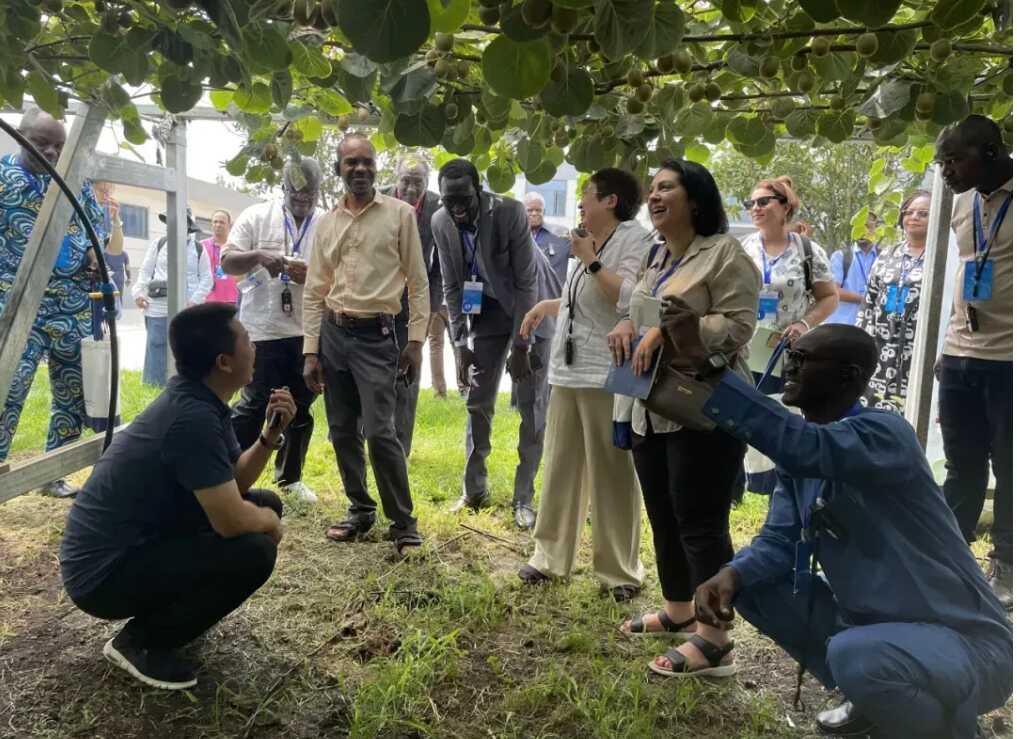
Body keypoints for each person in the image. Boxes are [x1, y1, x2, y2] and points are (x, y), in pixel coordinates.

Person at [680, 320, 1012, 739]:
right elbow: (779, 541)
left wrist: (709, 368)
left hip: (969, 644)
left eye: (803, 359)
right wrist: (731, 573)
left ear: (848, 376)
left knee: (855, 655)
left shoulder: (886, 434)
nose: (790, 367)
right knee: (751, 584)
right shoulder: (803, 456)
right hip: (878, 629)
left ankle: (947, 729)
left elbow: (804, 446)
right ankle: (874, 695)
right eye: (790, 357)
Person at [59, 303, 292, 690]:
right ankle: (141, 642)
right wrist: (268, 523)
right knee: (255, 550)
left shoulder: (202, 401)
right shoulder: (192, 418)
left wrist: (269, 436)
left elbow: (234, 482)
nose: (255, 348)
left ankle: (171, 620)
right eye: (248, 340)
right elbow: (230, 520)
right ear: (223, 362)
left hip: (136, 544)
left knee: (266, 503)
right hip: (102, 574)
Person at [611, 160, 760, 679]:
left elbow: (739, 326)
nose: (654, 196)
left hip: (703, 407)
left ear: (695, 199)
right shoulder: (657, 254)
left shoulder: (725, 254)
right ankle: (678, 609)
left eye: (666, 188)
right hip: (650, 404)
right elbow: (637, 307)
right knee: (664, 511)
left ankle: (715, 641)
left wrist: (672, 330)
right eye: (652, 189)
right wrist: (627, 324)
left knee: (699, 521)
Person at [516, 168, 652, 596]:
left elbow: (628, 299)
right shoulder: (584, 240)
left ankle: (619, 572)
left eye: (587, 194)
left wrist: (591, 260)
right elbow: (584, 300)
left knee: (611, 472)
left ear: (610, 200)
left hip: (606, 371)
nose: (579, 202)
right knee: (560, 465)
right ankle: (550, 557)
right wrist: (548, 305)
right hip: (568, 370)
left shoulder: (635, 239)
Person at [303, 133, 428, 555]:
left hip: (378, 337)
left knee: (379, 432)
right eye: (350, 162)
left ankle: (403, 522)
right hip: (334, 335)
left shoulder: (400, 215)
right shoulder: (327, 223)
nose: (359, 169)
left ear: (376, 167)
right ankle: (360, 509)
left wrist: (415, 342)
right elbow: (314, 289)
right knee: (341, 430)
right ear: (339, 169)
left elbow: (418, 282)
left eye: (367, 162)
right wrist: (310, 350)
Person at [432, 159, 557, 530]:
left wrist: (522, 346)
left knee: (532, 405)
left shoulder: (510, 212)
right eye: (449, 199)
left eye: (464, 198)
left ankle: (524, 497)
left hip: (532, 308)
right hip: (486, 311)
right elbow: (452, 286)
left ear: (479, 191)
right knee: (477, 399)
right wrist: (459, 344)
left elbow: (526, 282)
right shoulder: (441, 222)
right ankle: (474, 491)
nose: (457, 207)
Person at [0, 108, 109, 497]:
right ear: (20, 135)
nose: (51, 152)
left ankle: (54, 474)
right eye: (41, 143)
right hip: (19, 306)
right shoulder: (2, 177)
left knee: (74, 392)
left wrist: (95, 253)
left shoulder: (74, 179)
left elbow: (96, 226)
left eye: (59, 146)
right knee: (8, 389)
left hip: (72, 305)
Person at [935, 114, 1013, 608]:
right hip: (961, 353)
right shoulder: (963, 202)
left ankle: (1006, 563)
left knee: (1010, 466)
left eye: (954, 160)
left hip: (1009, 359)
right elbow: (966, 272)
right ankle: (949, 561)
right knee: (961, 465)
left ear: (990, 151)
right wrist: (945, 350)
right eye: (942, 163)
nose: (946, 172)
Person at [221, 159, 324, 504]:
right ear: (282, 188)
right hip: (261, 331)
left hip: (308, 330)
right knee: (254, 404)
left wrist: (311, 276)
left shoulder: (326, 223)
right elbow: (227, 262)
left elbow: (340, 275)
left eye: (310, 193)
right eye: (296, 192)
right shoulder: (256, 215)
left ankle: (290, 477)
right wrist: (258, 256)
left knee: (301, 407)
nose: (302, 199)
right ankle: (229, 470)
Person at [739, 176, 838, 497]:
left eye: (763, 201)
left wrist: (804, 324)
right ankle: (751, 481)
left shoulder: (808, 250)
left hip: (789, 351)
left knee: (785, 418)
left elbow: (829, 298)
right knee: (745, 414)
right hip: (746, 349)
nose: (755, 208)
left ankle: (787, 483)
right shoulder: (743, 249)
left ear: (785, 207)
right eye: (751, 203)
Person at [382, 156, 443, 453]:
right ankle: (368, 436)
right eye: (405, 180)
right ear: (396, 178)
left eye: (418, 182)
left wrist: (430, 310)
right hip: (375, 298)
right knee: (372, 369)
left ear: (427, 183)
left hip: (413, 302)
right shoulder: (376, 199)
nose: (410, 188)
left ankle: (400, 447)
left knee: (408, 372)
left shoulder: (437, 209)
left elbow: (440, 266)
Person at [856, 191, 931, 414]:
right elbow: (869, 302)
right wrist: (860, 343)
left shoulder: (942, 256)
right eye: (909, 212)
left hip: (919, 351)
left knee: (913, 411)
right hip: (880, 348)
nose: (914, 217)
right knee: (873, 411)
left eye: (923, 213)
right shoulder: (887, 254)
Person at [132, 207, 213, 387]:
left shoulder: (198, 248)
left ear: (187, 225)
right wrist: (138, 293)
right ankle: (154, 386)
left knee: (185, 348)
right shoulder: (159, 244)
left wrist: (194, 301)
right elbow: (145, 271)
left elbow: (207, 279)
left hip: (187, 307)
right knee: (156, 344)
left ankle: (185, 387)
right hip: (158, 306)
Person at [827, 213, 880, 326]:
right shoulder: (841, 256)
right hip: (841, 326)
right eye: (858, 226)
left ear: (876, 228)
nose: (862, 230)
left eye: (867, 226)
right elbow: (833, 290)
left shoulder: (884, 258)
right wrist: (866, 299)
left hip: (871, 327)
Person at [525, 191, 570, 285]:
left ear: (544, 211)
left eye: (538, 210)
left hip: (554, 292)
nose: (534, 213)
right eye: (529, 210)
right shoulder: (514, 236)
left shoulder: (561, 233)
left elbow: (583, 253)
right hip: (525, 291)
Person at [202, 209, 239, 304]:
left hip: (232, 299)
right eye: (215, 222)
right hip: (207, 299)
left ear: (229, 225)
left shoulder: (237, 246)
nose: (218, 225)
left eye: (222, 222)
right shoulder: (202, 246)